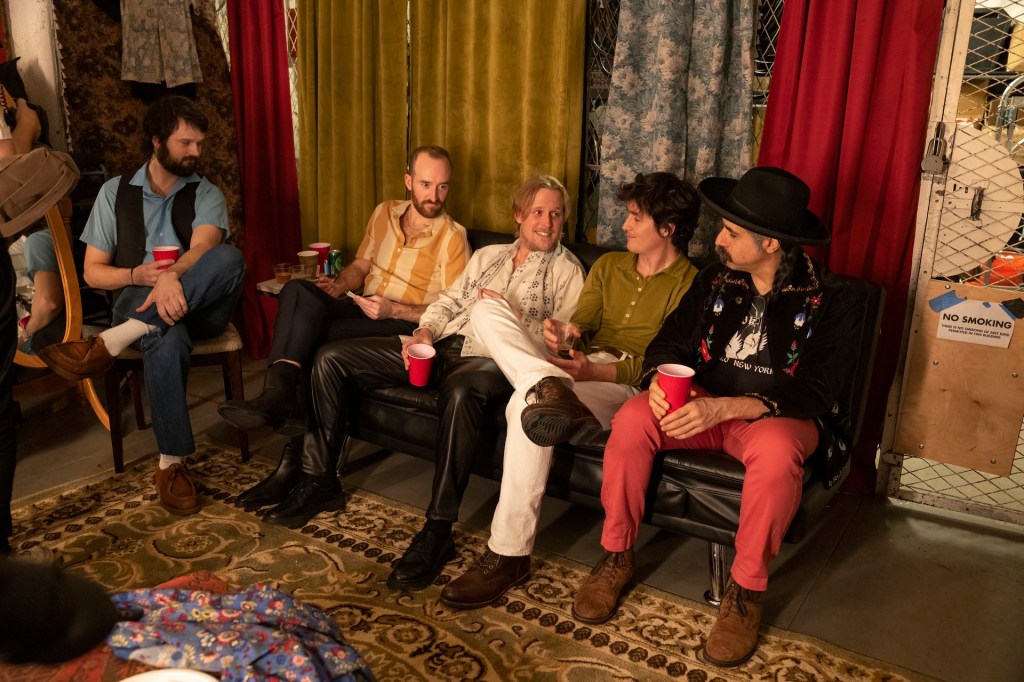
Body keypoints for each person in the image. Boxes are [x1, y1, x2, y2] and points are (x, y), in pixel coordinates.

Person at [568, 167, 860, 667]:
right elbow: (669, 342)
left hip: (775, 416)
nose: (718, 238)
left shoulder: (832, 299)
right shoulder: (715, 279)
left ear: (770, 244)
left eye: (732, 232)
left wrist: (727, 407)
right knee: (635, 418)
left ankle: (743, 594)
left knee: (773, 453)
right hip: (703, 406)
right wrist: (661, 382)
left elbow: (817, 389)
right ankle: (616, 554)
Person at [265, 175, 586, 593]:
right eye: (539, 212)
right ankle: (319, 479)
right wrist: (425, 333)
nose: (547, 222)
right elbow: (450, 300)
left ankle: (438, 530)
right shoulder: (488, 255)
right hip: (444, 345)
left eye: (556, 214)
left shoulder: (568, 271)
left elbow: (556, 349)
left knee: (460, 390)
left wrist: (554, 334)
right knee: (331, 359)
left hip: (488, 364)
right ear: (520, 216)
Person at [439, 172, 700, 609]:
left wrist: (591, 372)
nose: (625, 225)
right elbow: (584, 329)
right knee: (487, 307)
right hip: (575, 369)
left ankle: (508, 556)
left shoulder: (690, 283)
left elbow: (661, 364)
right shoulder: (609, 265)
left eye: (635, 217)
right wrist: (568, 337)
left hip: (622, 381)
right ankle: (546, 381)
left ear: (667, 229)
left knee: (526, 404)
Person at [220, 145, 470, 506]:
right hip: (359, 308)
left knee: (311, 342)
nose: (434, 196)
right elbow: (361, 266)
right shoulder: (384, 212)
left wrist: (394, 309)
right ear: (409, 181)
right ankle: (280, 400)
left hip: (395, 325)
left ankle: (291, 458)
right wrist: (338, 285)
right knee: (297, 290)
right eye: (427, 184)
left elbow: (452, 308)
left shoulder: (452, 236)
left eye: (443, 187)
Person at [39, 95, 246, 517]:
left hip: (200, 303)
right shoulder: (114, 194)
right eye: (187, 143)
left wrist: (171, 275)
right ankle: (172, 464)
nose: (197, 152)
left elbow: (206, 249)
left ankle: (112, 341)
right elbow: (93, 272)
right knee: (167, 333)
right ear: (157, 140)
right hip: (137, 297)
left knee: (229, 258)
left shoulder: (206, 193)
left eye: (200, 143)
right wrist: (138, 275)